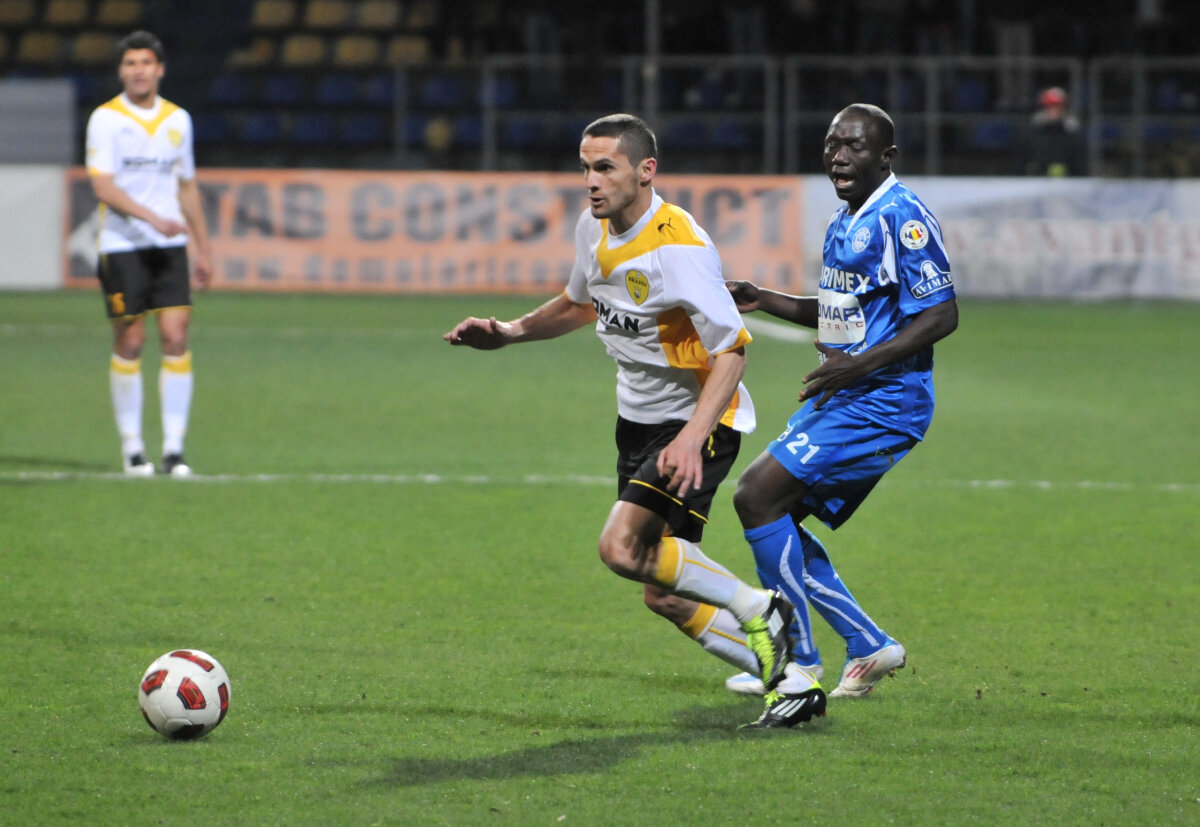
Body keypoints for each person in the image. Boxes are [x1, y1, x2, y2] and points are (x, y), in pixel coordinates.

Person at [444, 113, 824, 729]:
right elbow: (578, 304)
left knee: (621, 548)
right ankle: (788, 681)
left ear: (646, 171)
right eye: (585, 168)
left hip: (697, 419)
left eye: (605, 167)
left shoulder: (678, 246)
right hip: (638, 423)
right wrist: (510, 333)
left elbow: (733, 352)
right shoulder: (592, 230)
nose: (590, 181)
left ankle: (763, 608)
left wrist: (693, 440)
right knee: (666, 592)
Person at [721, 103, 959, 712]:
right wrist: (765, 298)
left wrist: (862, 362)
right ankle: (868, 644)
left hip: (884, 401)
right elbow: (834, 310)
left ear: (887, 157)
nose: (839, 156)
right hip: (846, 394)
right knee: (776, 516)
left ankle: (797, 664)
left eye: (854, 146)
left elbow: (941, 314)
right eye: (832, 145)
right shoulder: (844, 220)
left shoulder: (902, 217)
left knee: (754, 495)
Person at [86, 30, 212, 476]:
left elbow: (187, 185)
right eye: (130, 63)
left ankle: (174, 450)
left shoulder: (179, 120)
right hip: (122, 246)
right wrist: (152, 218)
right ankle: (133, 448)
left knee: (176, 337)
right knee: (132, 339)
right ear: (121, 71)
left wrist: (203, 247)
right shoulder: (105, 119)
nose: (138, 70)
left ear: (160, 69)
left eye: (145, 62)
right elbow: (103, 185)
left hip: (171, 247)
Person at [1024, 86, 1085, 177]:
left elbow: (1079, 165)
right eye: (1050, 107)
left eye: (1057, 107)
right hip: (1036, 183)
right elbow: (1023, 160)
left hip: (1066, 183)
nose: (1054, 111)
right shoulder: (1033, 132)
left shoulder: (1072, 134)